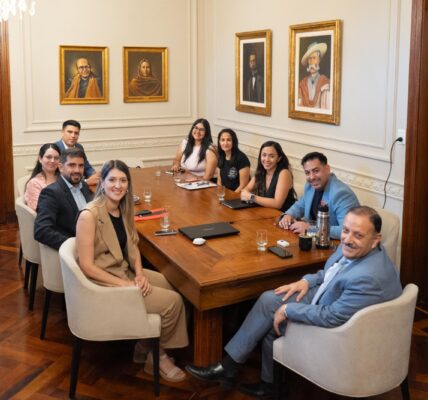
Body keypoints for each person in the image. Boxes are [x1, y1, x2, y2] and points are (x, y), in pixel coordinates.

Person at [186, 206, 403, 397]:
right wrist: (306, 281)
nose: (347, 239)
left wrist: (289, 309)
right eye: (345, 231)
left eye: (358, 235)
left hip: (340, 329)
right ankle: (238, 369)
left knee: (275, 318)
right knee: (269, 299)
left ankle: (254, 378)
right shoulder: (361, 251)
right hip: (331, 296)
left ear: (376, 239)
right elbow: (329, 272)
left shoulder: (368, 277)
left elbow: (332, 315)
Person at [76, 160, 188, 382]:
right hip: (105, 282)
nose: (118, 185)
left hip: (124, 272)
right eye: (112, 180)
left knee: (174, 286)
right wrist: (127, 285)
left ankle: (144, 345)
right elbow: (87, 266)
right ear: (102, 183)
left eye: (123, 180)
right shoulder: (89, 215)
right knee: (173, 302)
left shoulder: (122, 208)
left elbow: (133, 245)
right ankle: (157, 357)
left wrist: (139, 274)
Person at [278, 152, 359, 239]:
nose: (311, 177)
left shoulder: (341, 194)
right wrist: (288, 215)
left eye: (316, 171)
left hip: (334, 244)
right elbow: (300, 205)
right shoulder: (310, 186)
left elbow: (346, 231)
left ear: (327, 169)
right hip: (313, 240)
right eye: (307, 173)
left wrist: (310, 229)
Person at [34, 148, 93, 250]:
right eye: (72, 165)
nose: (77, 170)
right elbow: (42, 231)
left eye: (81, 166)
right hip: (74, 250)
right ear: (61, 167)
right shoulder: (51, 193)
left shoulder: (83, 186)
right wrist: (74, 245)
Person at [240, 141, 296, 212]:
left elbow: (277, 204)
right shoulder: (261, 171)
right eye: (264, 155)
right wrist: (245, 194)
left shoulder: (284, 173)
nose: (266, 159)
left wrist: (252, 197)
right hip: (265, 212)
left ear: (279, 158)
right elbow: (246, 189)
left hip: (284, 215)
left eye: (271, 156)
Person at [55, 120, 100, 186]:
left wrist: (94, 175)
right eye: (70, 132)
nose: (73, 136)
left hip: (80, 184)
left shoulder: (79, 147)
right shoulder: (55, 148)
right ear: (62, 132)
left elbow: (87, 167)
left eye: (76, 133)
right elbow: (57, 176)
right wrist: (86, 181)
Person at [24, 143, 61, 211]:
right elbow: (39, 209)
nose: (52, 161)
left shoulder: (64, 178)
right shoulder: (34, 183)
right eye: (48, 157)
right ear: (40, 159)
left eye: (56, 158)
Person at [298, 42, 330, 109]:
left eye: (314, 58)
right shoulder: (303, 83)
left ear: (319, 60)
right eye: (309, 58)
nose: (311, 61)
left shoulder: (325, 82)